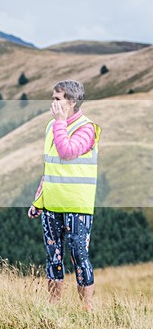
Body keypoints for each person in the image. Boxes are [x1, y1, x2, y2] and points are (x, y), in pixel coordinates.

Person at [28, 80, 100, 310]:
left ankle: (86, 308)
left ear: (72, 102)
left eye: (57, 99)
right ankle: (53, 305)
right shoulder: (51, 127)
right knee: (53, 257)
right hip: (52, 204)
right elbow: (51, 168)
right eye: (53, 98)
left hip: (77, 205)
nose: (53, 103)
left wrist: (60, 123)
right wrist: (38, 200)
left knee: (79, 256)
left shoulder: (87, 129)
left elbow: (67, 152)